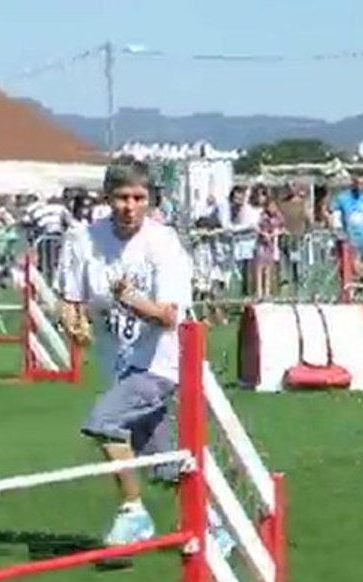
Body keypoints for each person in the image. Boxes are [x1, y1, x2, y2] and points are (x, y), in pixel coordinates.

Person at [57, 160, 232, 551]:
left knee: (103, 423)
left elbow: (169, 317)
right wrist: (72, 321)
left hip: (160, 363)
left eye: (139, 198)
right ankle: (213, 526)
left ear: (150, 200)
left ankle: (133, 512)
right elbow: (70, 298)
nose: (130, 207)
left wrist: (130, 298)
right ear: (107, 198)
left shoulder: (163, 243)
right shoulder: (83, 240)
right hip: (118, 364)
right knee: (164, 463)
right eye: (122, 197)